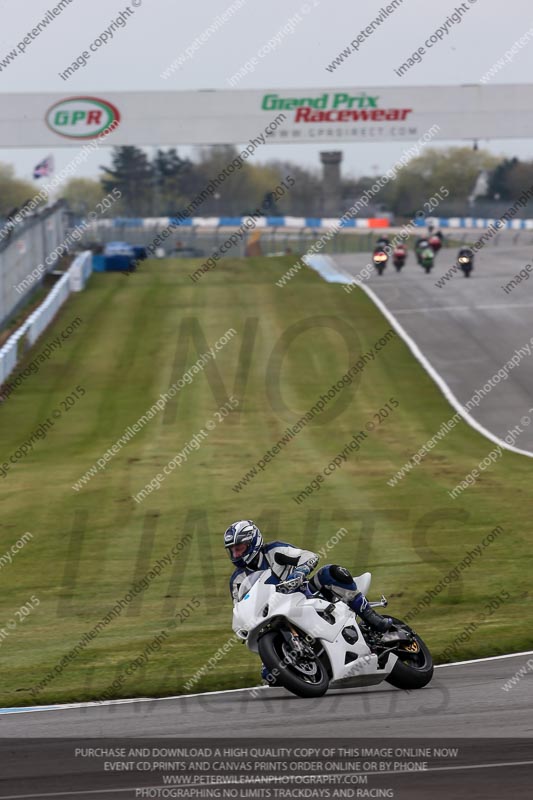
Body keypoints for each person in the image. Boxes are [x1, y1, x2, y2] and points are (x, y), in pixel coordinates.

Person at [225, 519, 392, 637]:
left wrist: (299, 572)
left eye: (239, 548)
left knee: (330, 572)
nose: (236, 554)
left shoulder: (274, 551)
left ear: (253, 542)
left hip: (305, 594)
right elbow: (239, 607)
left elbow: (309, 556)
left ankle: (371, 617)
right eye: (233, 550)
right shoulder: (237, 580)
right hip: (273, 614)